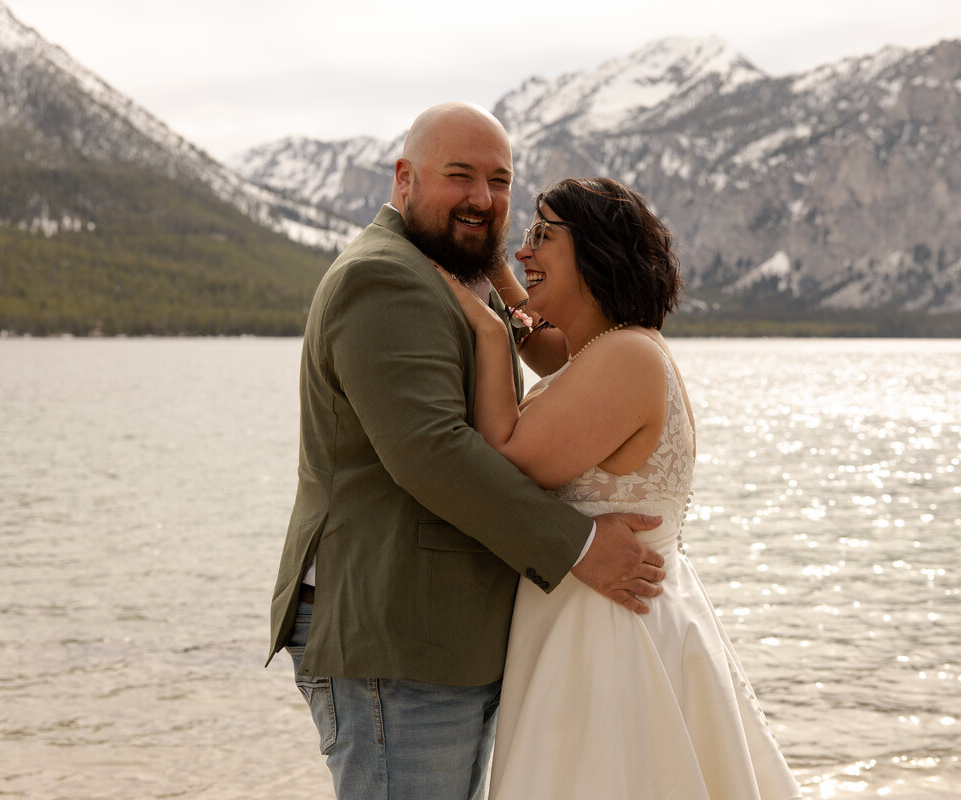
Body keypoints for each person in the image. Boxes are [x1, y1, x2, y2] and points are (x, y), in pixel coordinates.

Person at [265, 104, 668, 800]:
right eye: (459, 176)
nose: (482, 198)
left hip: (444, 642)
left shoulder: (450, 270)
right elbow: (432, 454)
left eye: (499, 180)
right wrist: (580, 547)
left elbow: (556, 358)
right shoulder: (384, 278)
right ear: (404, 178)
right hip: (397, 640)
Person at [437, 177, 803, 799]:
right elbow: (551, 355)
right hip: (611, 624)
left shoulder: (625, 359)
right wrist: (494, 266)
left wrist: (489, 330)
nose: (526, 252)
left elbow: (502, 461)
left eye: (541, 237)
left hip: (609, 643)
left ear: (597, 253)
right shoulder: (609, 350)